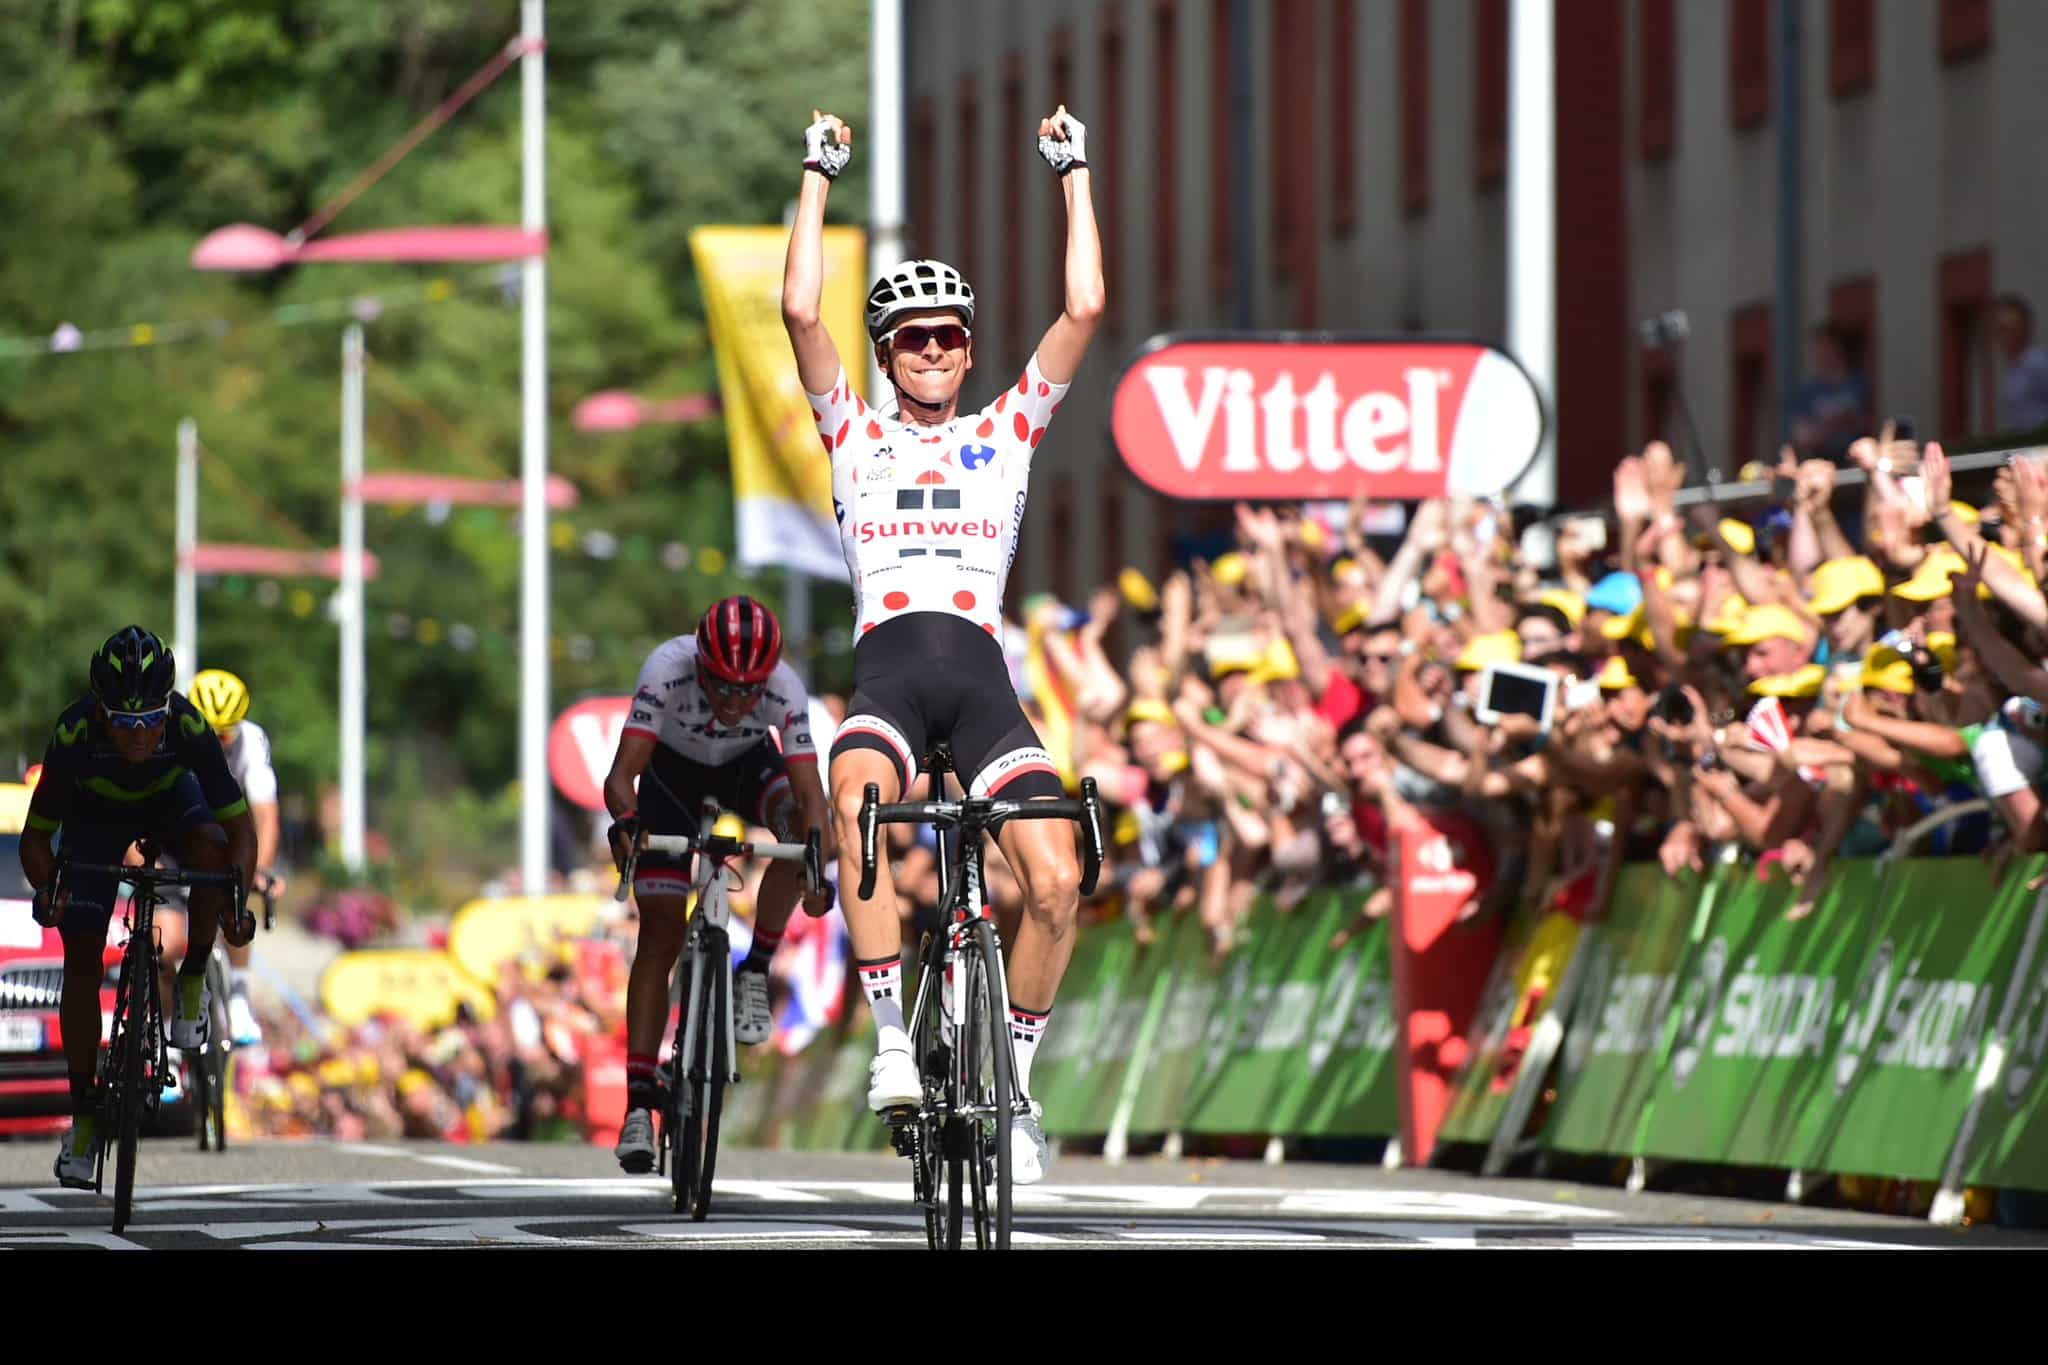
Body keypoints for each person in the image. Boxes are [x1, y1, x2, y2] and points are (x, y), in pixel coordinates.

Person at [780, 100, 1103, 1184]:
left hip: (977, 683)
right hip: (886, 682)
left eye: (948, 336)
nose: (930, 350)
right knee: (860, 801)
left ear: (969, 350)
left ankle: (1011, 1087)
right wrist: (819, 171)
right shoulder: (852, 431)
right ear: (884, 354)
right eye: (910, 338)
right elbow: (795, 307)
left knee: (1055, 880)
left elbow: (1085, 304)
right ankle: (887, 1046)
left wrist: (1072, 169)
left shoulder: (1005, 432)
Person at [16, 627, 256, 1188]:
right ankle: (83, 1119)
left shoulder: (189, 724)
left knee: (211, 854)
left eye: (151, 720)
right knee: (79, 961)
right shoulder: (74, 732)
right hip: (95, 821)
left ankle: (193, 977)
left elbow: (239, 828)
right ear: (101, 714)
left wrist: (236, 900)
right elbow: (34, 839)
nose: (140, 734)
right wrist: (50, 887)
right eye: (124, 723)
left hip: (172, 805)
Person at [601, 596, 832, 1174]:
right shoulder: (666, 668)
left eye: (747, 690)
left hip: (746, 768)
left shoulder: (785, 688)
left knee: (795, 831)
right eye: (721, 687)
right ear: (699, 665)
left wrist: (817, 863)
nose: (733, 701)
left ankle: (754, 970)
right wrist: (628, 824)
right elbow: (622, 777)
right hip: (669, 778)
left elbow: (813, 799)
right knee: (658, 935)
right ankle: (638, 1104)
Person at [187, 669, 286, 1045]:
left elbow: (265, 812)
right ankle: (163, 1023)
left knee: (236, 894)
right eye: (208, 734)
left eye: (225, 734)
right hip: (176, 833)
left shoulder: (251, 740)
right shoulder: (167, 736)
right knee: (167, 934)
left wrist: (260, 869)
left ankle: (240, 998)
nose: (218, 743)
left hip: (225, 829)